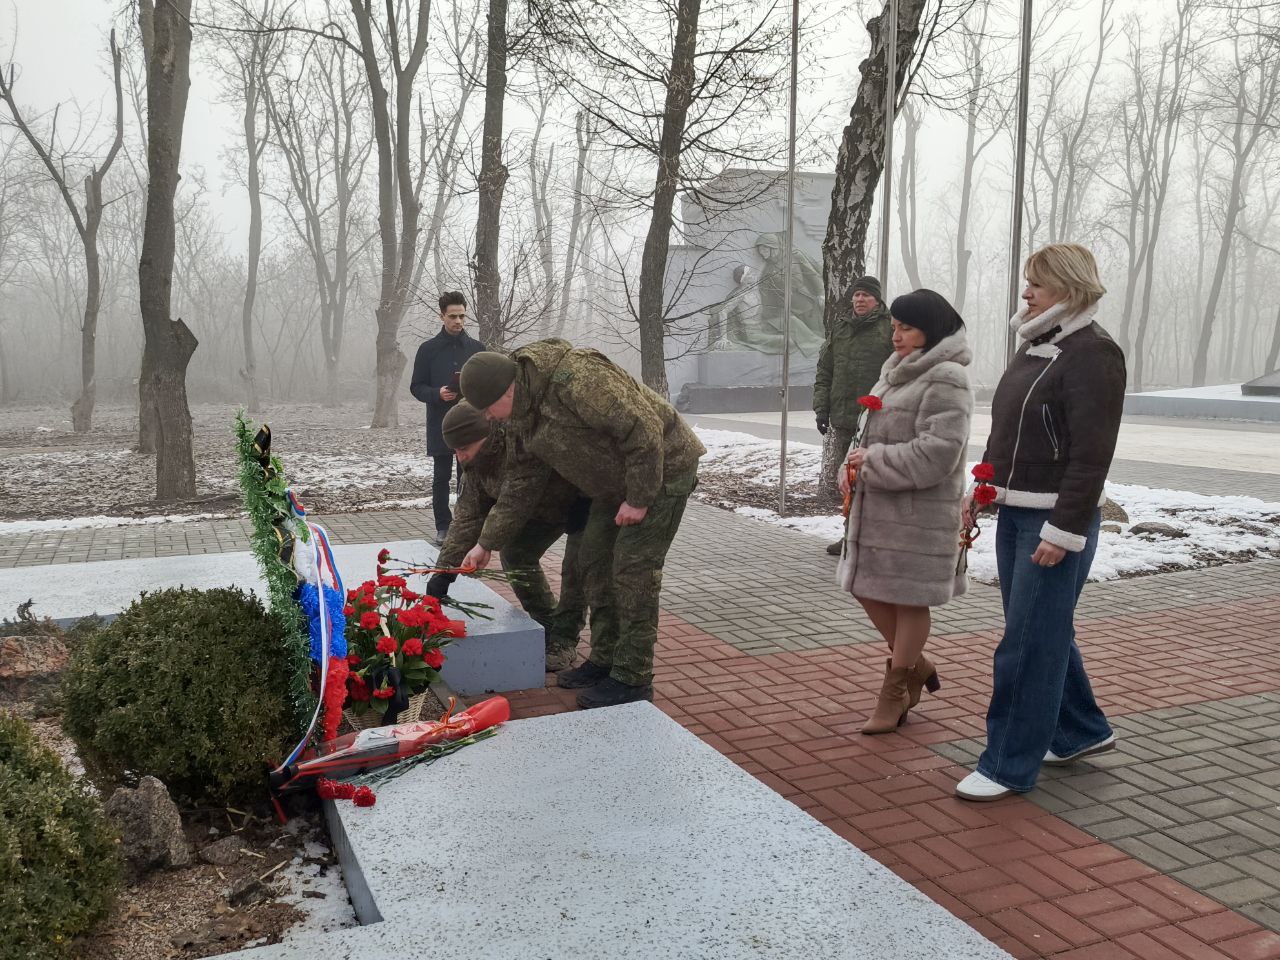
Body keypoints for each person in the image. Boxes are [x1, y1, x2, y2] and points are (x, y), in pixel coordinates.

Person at [954, 243, 1125, 802]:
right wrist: (983, 488)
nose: (1025, 292)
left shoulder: (1093, 354)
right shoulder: (1038, 346)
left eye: (1037, 283)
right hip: (1016, 512)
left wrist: (1062, 528)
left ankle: (1007, 764)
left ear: (1070, 289)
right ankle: (1081, 731)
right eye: (1028, 283)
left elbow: (1091, 455)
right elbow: (1009, 431)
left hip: (1053, 521)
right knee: (1041, 634)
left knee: (1027, 644)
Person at [458, 341, 705, 709]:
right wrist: (486, 544)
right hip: (611, 484)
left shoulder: (577, 379)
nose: (489, 418)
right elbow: (523, 483)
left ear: (506, 390)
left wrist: (638, 499)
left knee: (633, 570)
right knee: (592, 562)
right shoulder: (522, 414)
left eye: (489, 409)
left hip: (663, 470)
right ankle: (604, 659)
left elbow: (643, 429)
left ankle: (633, 677)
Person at [836, 289, 972, 735]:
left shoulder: (946, 377)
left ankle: (895, 689)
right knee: (866, 587)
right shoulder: (893, 372)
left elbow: (940, 452)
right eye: (893, 327)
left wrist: (874, 462)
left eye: (905, 328)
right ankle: (915, 665)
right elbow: (867, 433)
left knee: (909, 598)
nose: (895, 336)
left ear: (929, 331)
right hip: (876, 507)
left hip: (919, 512)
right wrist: (851, 465)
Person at [428, 401, 591, 672]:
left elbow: (513, 501)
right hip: (540, 511)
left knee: (576, 570)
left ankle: (564, 641)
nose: (459, 457)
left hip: (581, 502)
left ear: (483, 435)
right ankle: (549, 624)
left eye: (463, 449)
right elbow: (468, 516)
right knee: (517, 555)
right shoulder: (476, 462)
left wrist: (485, 544)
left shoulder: (517, 440)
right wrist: (444, 573)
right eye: (454, 451)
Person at [814, 277, 895, 554]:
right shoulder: (840, 328)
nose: (860, 300)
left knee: (874, 480)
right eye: (856, 295)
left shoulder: (889, 328)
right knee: (848, 479)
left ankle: (873, 538)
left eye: (866, 296)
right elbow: (825, 370)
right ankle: (850, 535)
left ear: (877, 300)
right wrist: (821, 408)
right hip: (844, 417)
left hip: (877, 419)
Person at [409, 292, 486, 544]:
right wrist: (436, 393)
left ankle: (466, 525)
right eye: (452, 316)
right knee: (441, 477)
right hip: (441, 422)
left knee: (469, 477)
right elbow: (416, 386)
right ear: (441, 316)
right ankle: (443, 526)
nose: (458, 321)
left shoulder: (477, 349)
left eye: (462, 316)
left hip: (471, 423)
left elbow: (487, 386)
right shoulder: (427, 349)